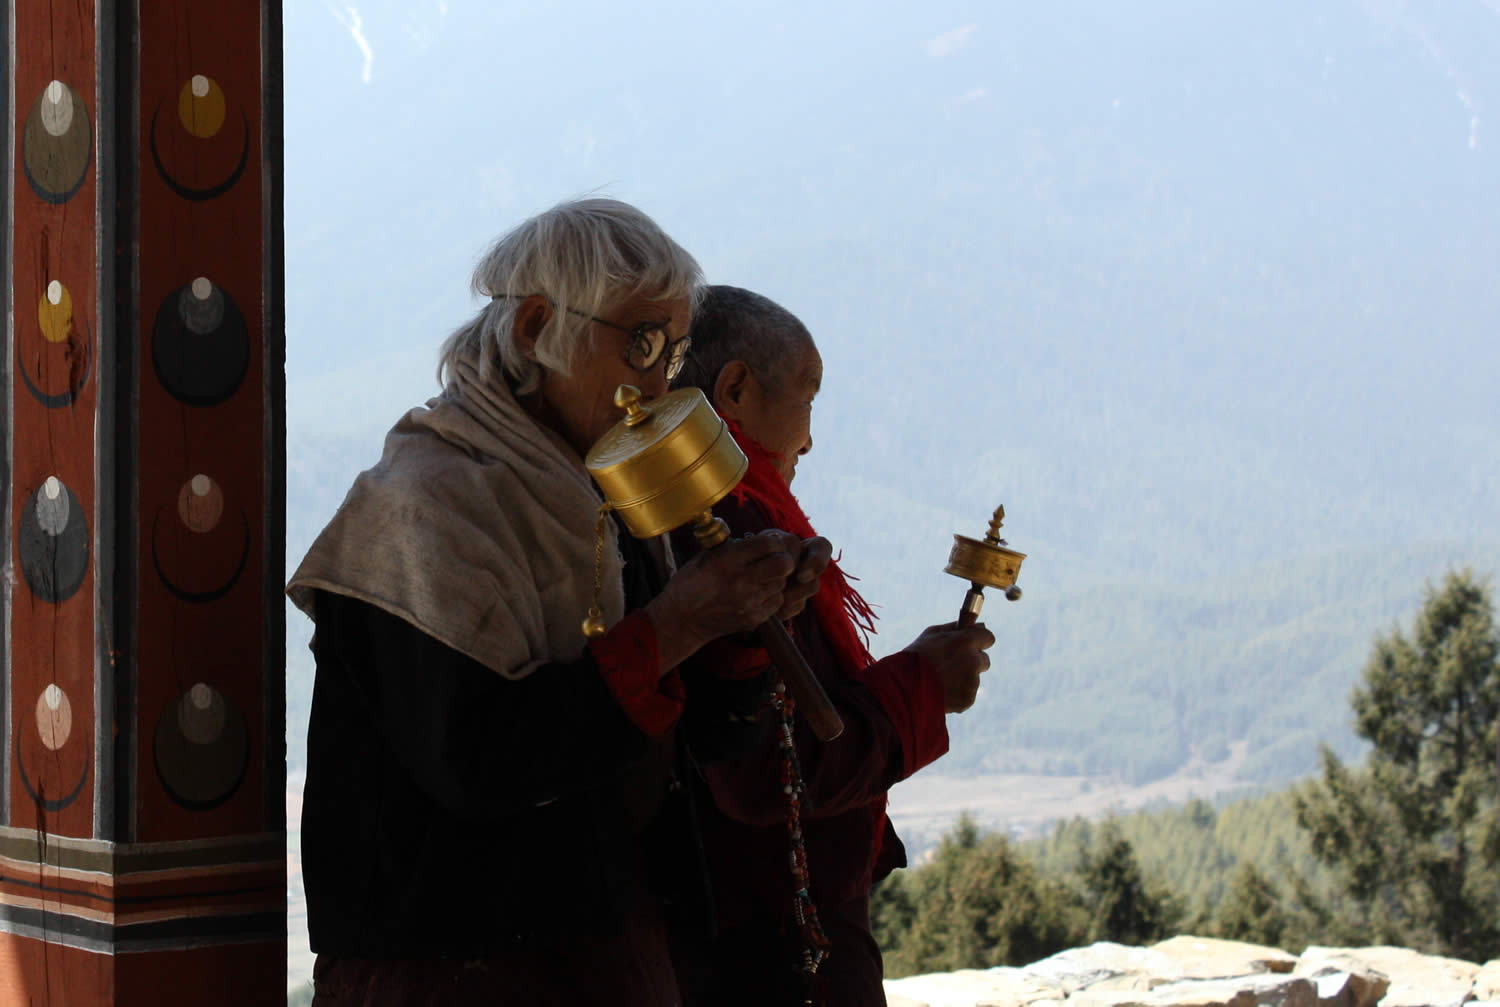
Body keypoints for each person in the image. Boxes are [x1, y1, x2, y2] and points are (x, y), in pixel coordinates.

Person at [287, 203, 830, 1006]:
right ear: (540, 325)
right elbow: (477, 759)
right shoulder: (420, 510)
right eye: (641, 344)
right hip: (446, 968)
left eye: (674, 352)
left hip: (608, 943)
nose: (659, 383)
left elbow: (697, 743)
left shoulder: (605, 496)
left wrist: (742, 628)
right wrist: (674, 624)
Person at [669, 285, 996, 1006]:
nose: (810, 438)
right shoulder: (733, 543)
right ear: (736, 389)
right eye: (807, 398)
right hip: (771, 946)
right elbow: (774, 770)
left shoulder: (711, 516)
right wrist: (921, 688)